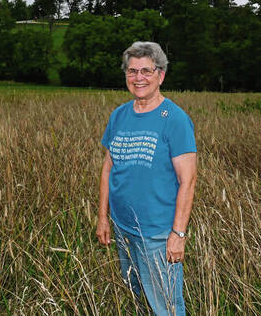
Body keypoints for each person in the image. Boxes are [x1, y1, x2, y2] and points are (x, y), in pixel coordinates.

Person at [96, 41, 197, 315]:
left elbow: (188, 180)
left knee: (166, 306)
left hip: (157, 234)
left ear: (160, 75)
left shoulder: (175, 119)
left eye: (146, 71)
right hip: (123, 228)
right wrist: (104, 218)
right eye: (132, 71)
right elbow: (108, 168)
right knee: (137, 294)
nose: (138, 78)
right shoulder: (118, 116)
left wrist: (178, 234)